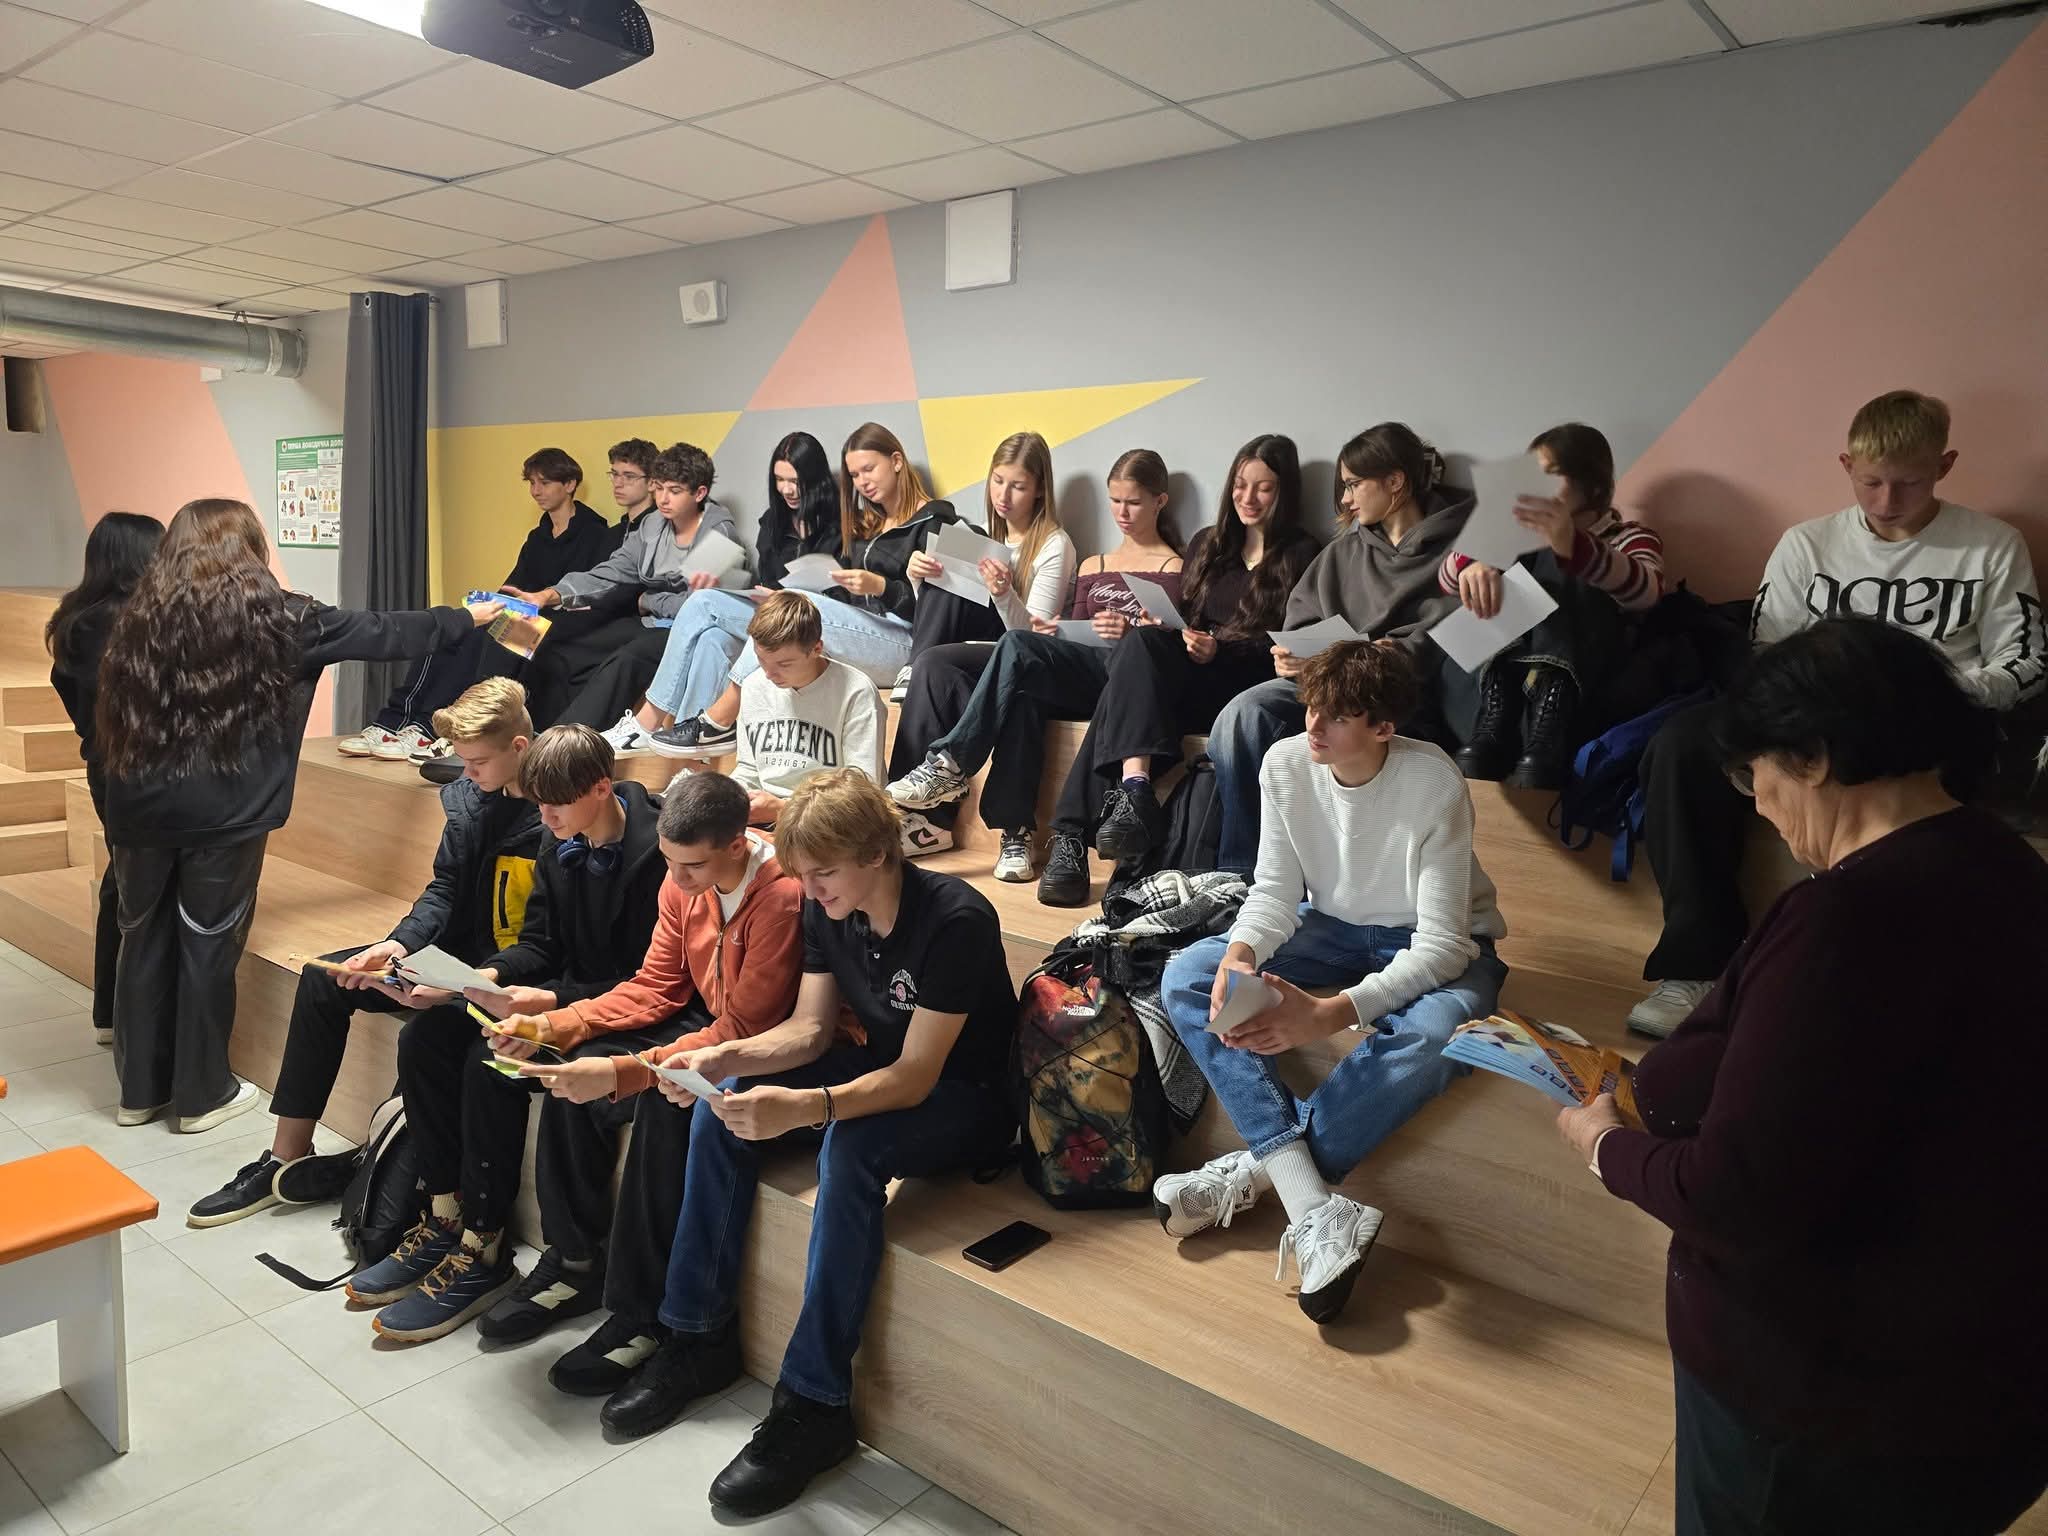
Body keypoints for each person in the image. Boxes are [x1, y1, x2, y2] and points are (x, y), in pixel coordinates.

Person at [1556, 618, 2048, 1536]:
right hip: (1985, 1392)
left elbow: (1734, 1196)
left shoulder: (1849, 919)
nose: (1760, 807)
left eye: (1756, 776)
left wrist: (1603, 1148)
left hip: (1830, 1412)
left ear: (1813, 756)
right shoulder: (2010, 869)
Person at [596, 770, 1017, 1519]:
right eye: (804, 873)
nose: (810, 889)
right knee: (721, 1107)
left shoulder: (956, 918)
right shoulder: (830, 906)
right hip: (884, 1067)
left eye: (823, 872)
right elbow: (810, 1030)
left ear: (877, 853)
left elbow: (917, 1076)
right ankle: (698, 1337)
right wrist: (725, 1059)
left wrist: (808, 1107)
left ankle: (815, 1405)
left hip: (969, 1100)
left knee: (848, 1150)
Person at [1627, 389, 2045, 1037]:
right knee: (1684, 744)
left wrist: (1942, 693)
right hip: (1814, 717)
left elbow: (2024, 661)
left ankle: (1881, 985)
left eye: (1909, 483)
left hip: (1935, 720)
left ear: (1945, 465)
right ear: (1847, 465)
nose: (1887, 501)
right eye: (1871, 482)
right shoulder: (1808, 544)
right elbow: (1765, 656)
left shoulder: (1991, 545)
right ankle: (1697, 964)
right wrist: (1808, 710)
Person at [95, 499, 494, 1134]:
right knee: (207, 946)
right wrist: (468, 616)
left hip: (137, 811)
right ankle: (200, 1097)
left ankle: (138, 1093)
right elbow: (386, 631)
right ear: (251, 550)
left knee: (141, 939)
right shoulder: (284, 618)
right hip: (226, 816)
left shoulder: (138, 617)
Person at [1153, 641, 1506, 1322]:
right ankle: (1314, 1205)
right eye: (1311, 706)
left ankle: (1261, 1171)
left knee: (1441, 1035)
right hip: (1331, 926)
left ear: (1383, 727)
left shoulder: (1431, 780)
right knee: (1190, 973)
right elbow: (1274, 891)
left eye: (1337, 716)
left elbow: (1443, 946)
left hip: (1435, 938)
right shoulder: (1286, 763)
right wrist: (1242, 952)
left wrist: (1330, 1015)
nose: (1313, 725)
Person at [474, 771, 809, 1368]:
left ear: (738, 844)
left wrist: (625, 1070)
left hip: (765, 1048)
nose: (676, 880)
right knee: (572, 1070)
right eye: (668, 862)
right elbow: (657, 985)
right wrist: (554, 1025)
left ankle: (641, 1310)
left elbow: (745, 1028)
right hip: (711, 1022)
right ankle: (574, 1261)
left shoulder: (782, 897)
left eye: (692, 867)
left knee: (664, 1104)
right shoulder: (681, 881)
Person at [185, 679, 544, 1226]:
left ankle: (426, 1194)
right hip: (452, 957)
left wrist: (461, 983)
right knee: (325, 978)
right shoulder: (473, 797)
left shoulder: (555, 817)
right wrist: (397, 943)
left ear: (519, 748)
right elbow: (445, 889)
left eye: (477, 763)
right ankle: (285, 1157)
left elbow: (544, 941)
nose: (467, 774)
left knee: (429, 1033)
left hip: (506, 978)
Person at [348, 726, 666, 1342]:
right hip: (559, 996)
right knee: (424, 1038)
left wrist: (548, 1003)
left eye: (556, 807)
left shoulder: (658, 854)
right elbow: (540, 944)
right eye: (539, 807)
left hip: (624, 1014)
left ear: (602, 788)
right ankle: (445, 1214)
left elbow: (651, 983)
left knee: (487, 1063)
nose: (544, 820)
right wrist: (482, 979)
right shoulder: (558, 837)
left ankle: (484, 1245)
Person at [1035, 434, 1321, 906]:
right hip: (1191, 670)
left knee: (1120, 695)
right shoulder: (1210, 543)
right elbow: (1186, 615)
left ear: (1284, 491)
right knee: (1141, 644)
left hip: (1242, 684)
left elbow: (1285, 641)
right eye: (1240, 485)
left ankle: (1072, 833)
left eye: (1264, 488)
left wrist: (1219, 649)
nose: (1248, 498)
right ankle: (1134, 793)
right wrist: (1167, 626)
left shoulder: (1303, 553)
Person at [887, 448, 1183, 882]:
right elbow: (1074, 632)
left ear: (1160, 502)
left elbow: (1165, 645)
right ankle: (1012, 833)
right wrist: (1056, 629)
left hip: (1123, 682)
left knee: (1016, 646)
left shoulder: (1174, 566)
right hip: (1080, 667)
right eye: (1115, 501)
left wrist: (1128, 630)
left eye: (1133, 502)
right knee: (1021, 686)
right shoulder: (1094, 564)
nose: (1122, 512)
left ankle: (951, 763)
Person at [1209, 424, 1473, 877]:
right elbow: (1300, 622)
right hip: (1330, 686)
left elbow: (1456, 631)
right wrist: (1293, 658)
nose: (1346, 500)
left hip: (1402, 694)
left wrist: (1388, 655)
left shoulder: (1462, 549)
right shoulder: (1343, 551)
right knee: (1243, 715)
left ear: (1395, 481)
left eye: (1353, 485)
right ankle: (1241, 877)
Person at [653, 422, 957, 758]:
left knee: (794, 604)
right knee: (710, 624)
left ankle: (715, 720)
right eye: (854, 475)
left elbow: (943, 612)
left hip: (906, 646)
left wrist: (882, 586)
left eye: (869, 469)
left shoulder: (938, 522)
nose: (862, 482)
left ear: (897, 462)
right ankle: (675, 743)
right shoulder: (867, 522)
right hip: (859, 631)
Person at [339, 446, 616, 761]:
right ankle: (398, 720)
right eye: (532, 483)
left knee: (484, 636)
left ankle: (433, 727)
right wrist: (489, 604)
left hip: (555, 625)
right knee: (452, 627)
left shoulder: (595, 535)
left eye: (545, 483)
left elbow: (586, 595)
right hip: (522, 617)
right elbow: (514, 586)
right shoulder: (537, 537)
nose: (536, 491)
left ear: (569, 484)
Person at [1440, 422, 1666, 788]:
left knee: (1563, 559)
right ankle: (1497, 717)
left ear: (1591, 487)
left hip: (1576, 699)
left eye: (1550, 475)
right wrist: (1477, 562)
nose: (1536, 487)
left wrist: (1574, 547)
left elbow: (1648, 593)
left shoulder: (1629, 537)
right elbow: (1447, 581)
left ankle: (1550, 714)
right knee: (1507, 574)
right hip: (1489, 704)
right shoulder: (1514, 534)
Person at [887, 431, 1077, 856]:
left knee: (937, 667)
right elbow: (945, 609)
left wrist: (1004, 593)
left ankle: (916, 673)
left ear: (1040, 489)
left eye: (1018, 486)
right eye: (997, 481)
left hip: (1020, 655)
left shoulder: (1054, 544)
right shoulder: (982, 536)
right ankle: (921, 822)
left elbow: (1029, 643)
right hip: (974, 651)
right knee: (933, 663)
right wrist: (918, 579)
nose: (1003, 495)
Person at [607, 431, 842, 751]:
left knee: (702, 602)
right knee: (711, 639)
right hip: (773, 616)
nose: (787, 489)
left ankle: (647, 722)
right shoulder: (772, 522)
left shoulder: (840, 520)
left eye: (795, 481)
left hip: (818, 619)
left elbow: (848, 591)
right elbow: (769, 580)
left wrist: (649, 599)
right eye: (779, 480)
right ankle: (691, 757)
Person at [511, 441, 743, 729]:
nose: (663, 499)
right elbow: (612, 571)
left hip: (690, 630)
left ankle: (572, 746)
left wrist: (648, 600)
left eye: (674, 491)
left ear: (699, 493)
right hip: (651, 623)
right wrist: (550, 595)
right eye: (659, 488)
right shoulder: (652, 525)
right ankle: (541, 734)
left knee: (626, 659)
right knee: (562, 649)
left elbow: (697, 606)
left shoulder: (719, 534)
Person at [45, 511, 163, 1047]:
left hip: (106, 768)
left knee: (121, 881)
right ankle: (127, 1019)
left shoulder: (76, 617)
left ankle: (109, 1013)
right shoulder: (122, 624)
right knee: (132, 891)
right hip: (134, 775)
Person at [708, 591, 885, 828]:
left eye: (784, 664)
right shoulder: (752, 685)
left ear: (816, 648)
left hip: (831, 822)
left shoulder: (856, 691)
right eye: (761, 660)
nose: (769, 674)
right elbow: (749, 769)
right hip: (766, 814)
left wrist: (783, 809)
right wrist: (729, 801)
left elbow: (862, 791)